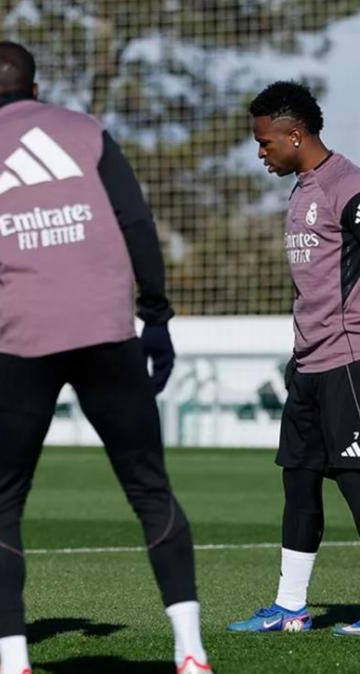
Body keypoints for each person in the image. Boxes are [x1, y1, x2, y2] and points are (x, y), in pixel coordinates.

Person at [0, 42, 210, 674]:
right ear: (34, 84)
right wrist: (155, 319)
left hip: (22, 344)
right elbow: (137, 223)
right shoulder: (85, 130)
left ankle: (15, 660)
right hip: (108, 335)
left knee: (0, 501)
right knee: (150, 490)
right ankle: (191, 652)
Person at [228, 81, 360, 638]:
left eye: (265, 143)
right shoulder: (302, 188)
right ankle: (290, 608)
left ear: (295, 134)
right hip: (308, 364)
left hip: (349, 364)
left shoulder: (348, 187)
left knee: (357, 484)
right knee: (299, 482)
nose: (261, 152)